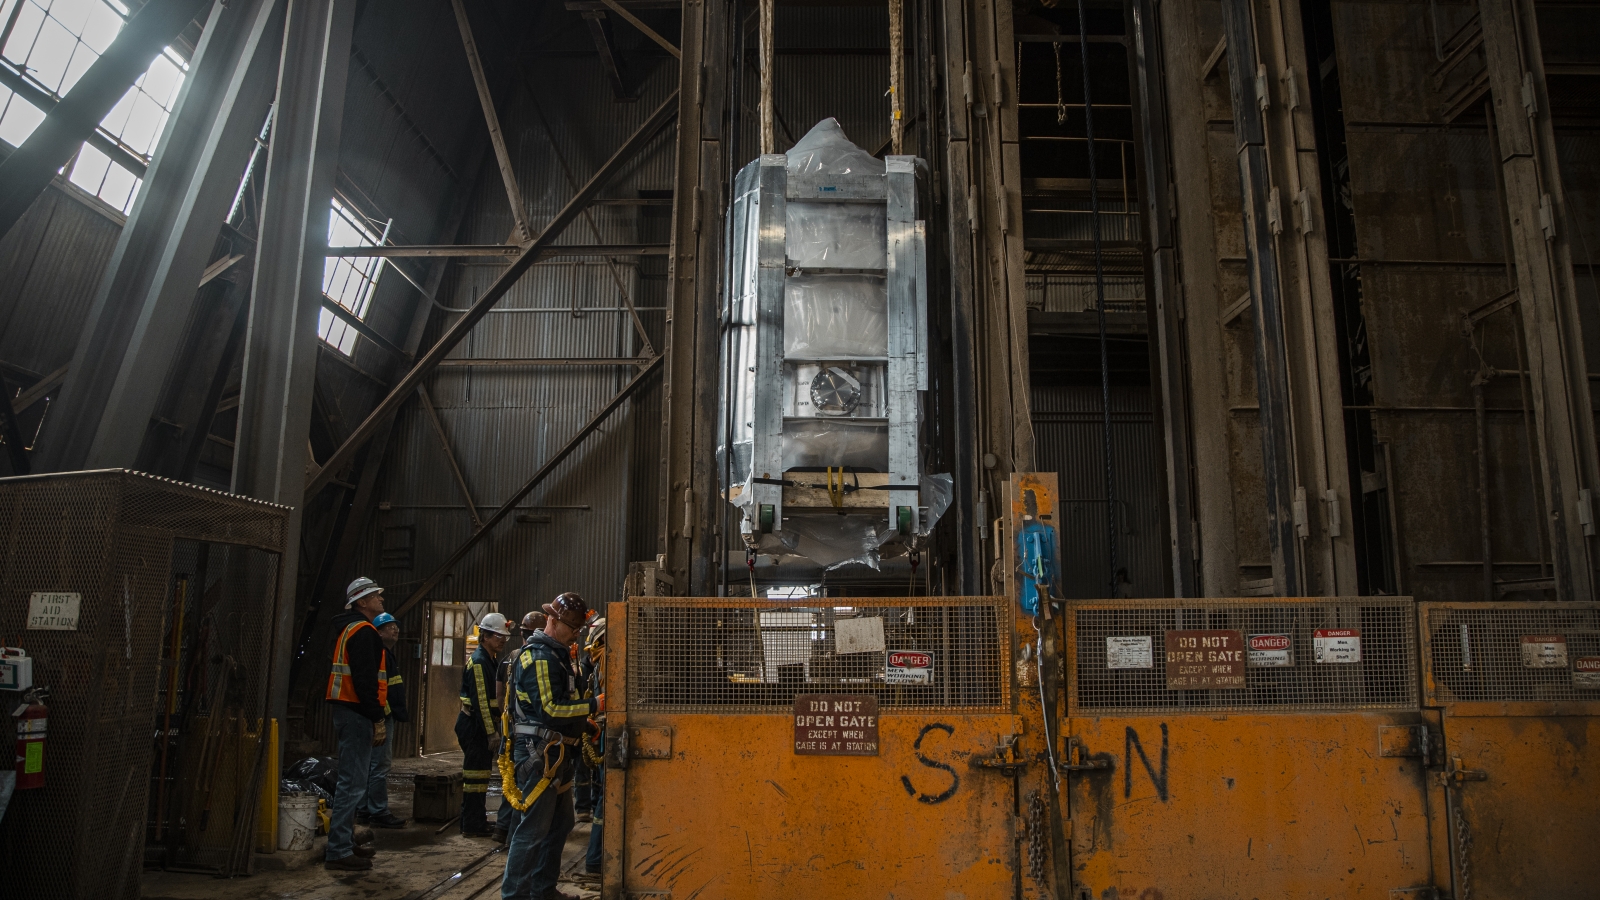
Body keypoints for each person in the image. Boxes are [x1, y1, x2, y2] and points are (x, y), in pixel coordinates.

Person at [502, 593, 601, 900]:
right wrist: (593, 706)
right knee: (532, 831)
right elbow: (550, 710)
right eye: (572, 627)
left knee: (560, 824)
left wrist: (584, 725)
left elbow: (560, 705)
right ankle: (515, 894)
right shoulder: (541, 658)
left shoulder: (557, 655)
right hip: (539, 755)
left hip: (556, 752)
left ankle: (542, 890)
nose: (577, 633)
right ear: (553, 621)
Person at [324, 577, 391, 871]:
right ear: (361, 602)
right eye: (375, 596)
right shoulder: (364, 632)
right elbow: (365, 682)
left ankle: (344, 843)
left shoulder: (351, 629)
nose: (381, 599)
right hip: (357, 712)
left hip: (349, 710)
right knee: (351, 784)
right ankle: (338, 851)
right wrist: (377, 717)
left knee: (353, 782)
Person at [494, 610, 546, 844]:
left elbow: (500, 694)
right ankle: (515, 836)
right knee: (524, 783)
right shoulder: (535, 657)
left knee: (511, 778)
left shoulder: (510, 658)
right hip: (529, 731)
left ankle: (502, 828)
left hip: (512, 726)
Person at [459, 612, 511, 836]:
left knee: (480, 778)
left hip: (480, 726)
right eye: (498, 635)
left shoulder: (490, 659)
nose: (502, 640)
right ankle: (472, 825)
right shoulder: (480, 661)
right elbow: (481, 701)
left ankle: (477, 821)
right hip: (475, 728)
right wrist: (491, 733)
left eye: (503, 636)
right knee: (474, 780)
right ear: (486, 636)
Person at [358, 612, 408, 829]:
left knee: (371, 765)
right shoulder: (380, 654)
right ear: (377, 632)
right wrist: (383, 716)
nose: (395, 630)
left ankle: (363, 809)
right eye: (389, 627)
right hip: (381, 717)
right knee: (379, 765)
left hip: (381, 716)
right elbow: (378, 691)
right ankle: (378, 811)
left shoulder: (386, 654)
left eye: (395, 626)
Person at [581, 617, 607, 877]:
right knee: (607, 800)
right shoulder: (607, 662)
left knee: (603, 796)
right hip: (605, 735)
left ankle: (596, 859)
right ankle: (596, 860)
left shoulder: (597, 661)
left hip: (600, 734)